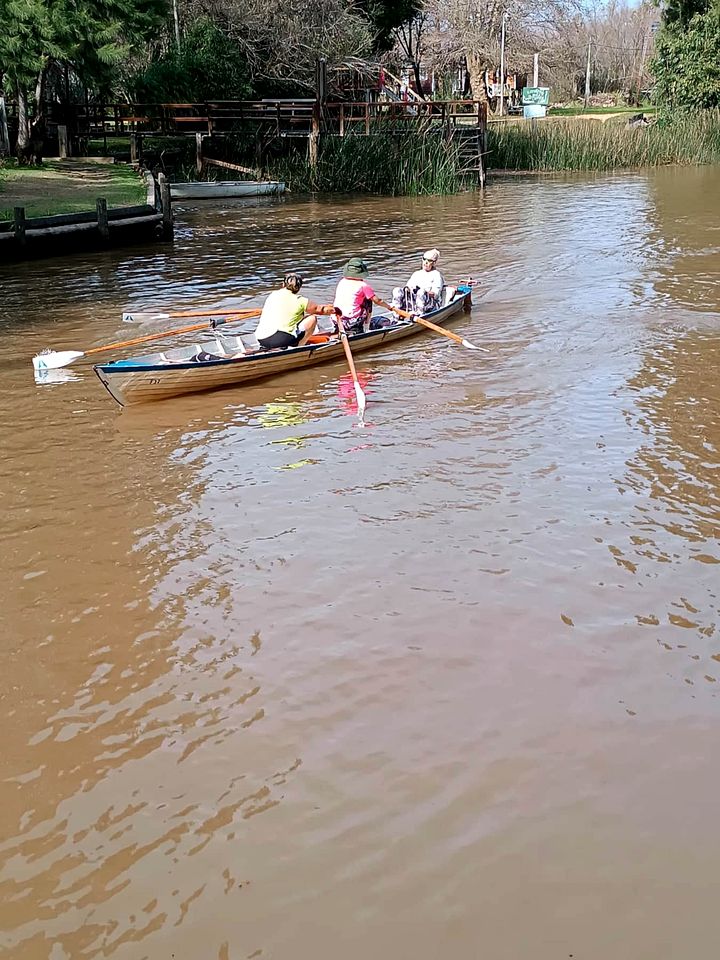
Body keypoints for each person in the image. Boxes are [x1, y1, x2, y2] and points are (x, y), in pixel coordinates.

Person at [254, 273, 337, 350]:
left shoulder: (273, 295)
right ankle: (300, 347)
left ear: (283, 284)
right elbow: (321, 310)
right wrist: (336, 310)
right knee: (312, 318)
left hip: (261, 338)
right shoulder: (301, 300)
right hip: (280, 340)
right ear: (299, 287)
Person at [333, 258, 390, 334]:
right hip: (352, 321)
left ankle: (340, 329)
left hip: (336, 319)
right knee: (368, 300)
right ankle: (366, 326)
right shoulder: (363, 285)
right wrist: (389, 307)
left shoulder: (342, 282)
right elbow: (378, 301)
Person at [392, 249, 446, 315]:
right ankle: (397, 314)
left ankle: (420, 315)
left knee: (421, 292)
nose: (425, 262)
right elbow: (407, 288)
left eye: (429, 261)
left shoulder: (437, 275)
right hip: (414, 302)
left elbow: (436, 294)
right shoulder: (416, 274)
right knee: (397, 290)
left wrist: (424, 292)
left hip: (431, 304)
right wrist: (408, 289)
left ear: (434, 263)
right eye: (424, 259)